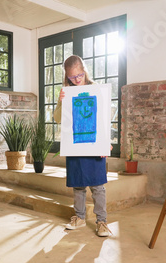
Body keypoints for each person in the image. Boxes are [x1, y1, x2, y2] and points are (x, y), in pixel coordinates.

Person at [53, 55, 111, 237]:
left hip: (93, 144)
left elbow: (103, 118)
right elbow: (57, 119)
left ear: (84, 71)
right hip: (76, 144)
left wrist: (105, 143)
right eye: (72, 78)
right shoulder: (66, 92)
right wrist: (62, 101)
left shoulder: (96, 89)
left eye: (79, 76)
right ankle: (79, 217)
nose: (76, 80)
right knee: (78, 185)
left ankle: (101, 221)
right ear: (67, 77)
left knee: (98, 186)